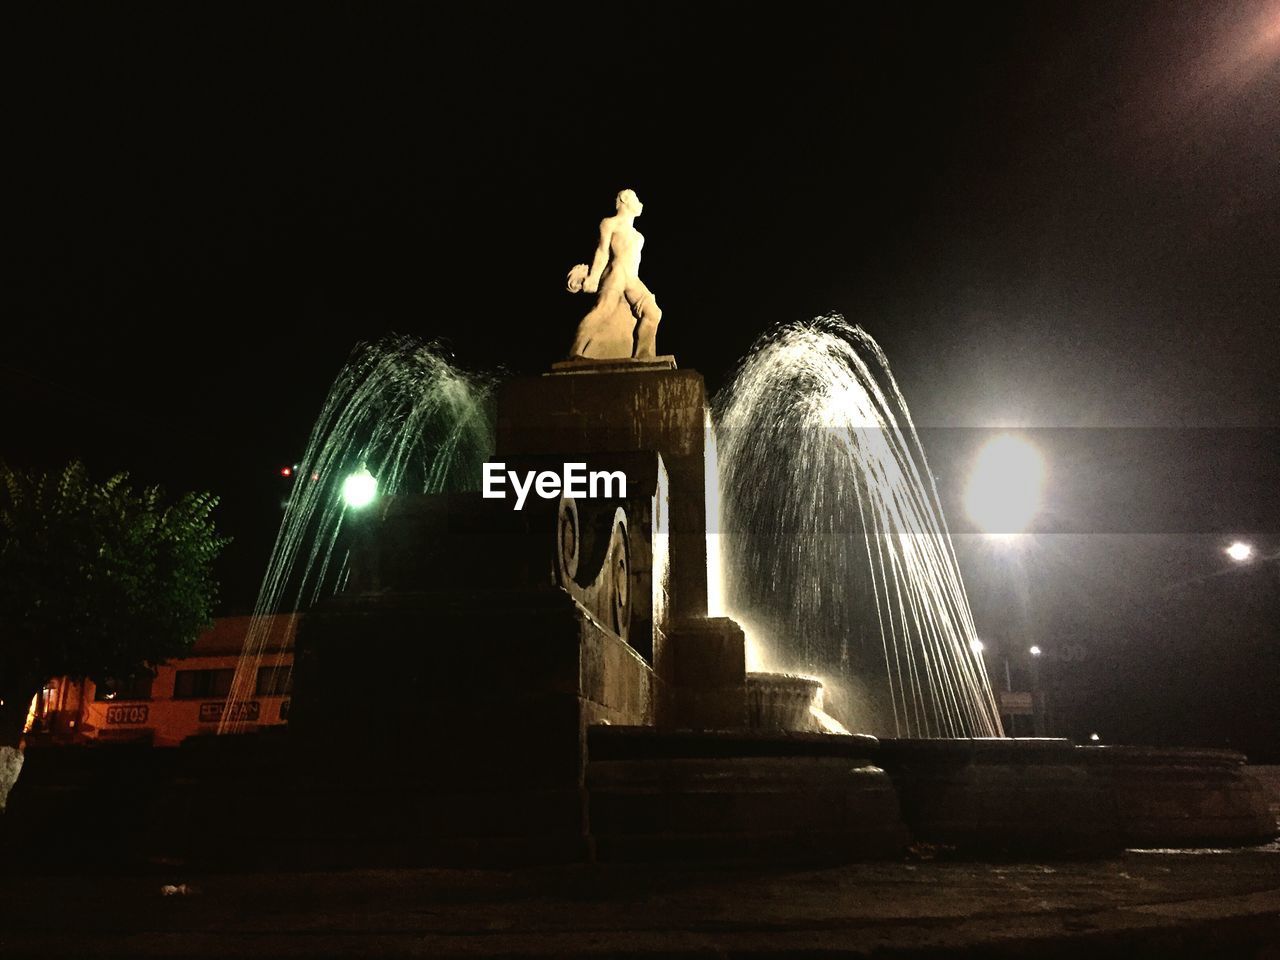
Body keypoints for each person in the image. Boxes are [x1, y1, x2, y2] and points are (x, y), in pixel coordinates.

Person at [566, 189, 663, 359]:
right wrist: (594, 277)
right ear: (624, 199)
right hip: (616, 273)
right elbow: (602, 251)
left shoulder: (639, 236)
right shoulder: (609, 223)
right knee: (602, 310)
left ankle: (643, 355)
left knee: (653, 313)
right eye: (635, 199)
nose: (639, 203)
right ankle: (575, 352)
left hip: (632, 279)